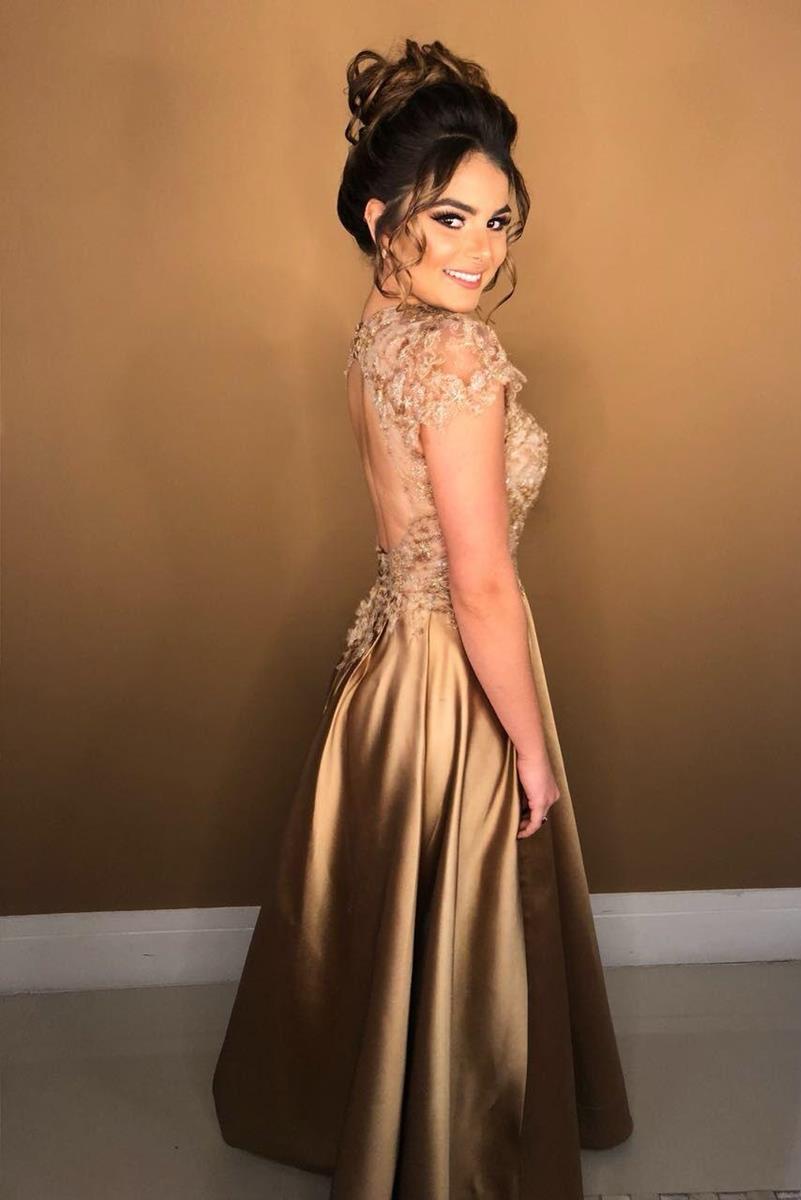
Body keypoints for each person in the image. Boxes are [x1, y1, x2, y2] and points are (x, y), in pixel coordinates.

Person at [212, 37, 634, 1199]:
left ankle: (369, 1112)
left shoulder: (376, 330)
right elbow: (482, 582)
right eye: (450, 218)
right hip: (456, 673)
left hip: (386, 662)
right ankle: (454, 1149)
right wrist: (533, 752)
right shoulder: (455, 351)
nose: (480, 249)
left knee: (388, 907)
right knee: (463, 918)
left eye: (499, 223)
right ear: (381, 213)